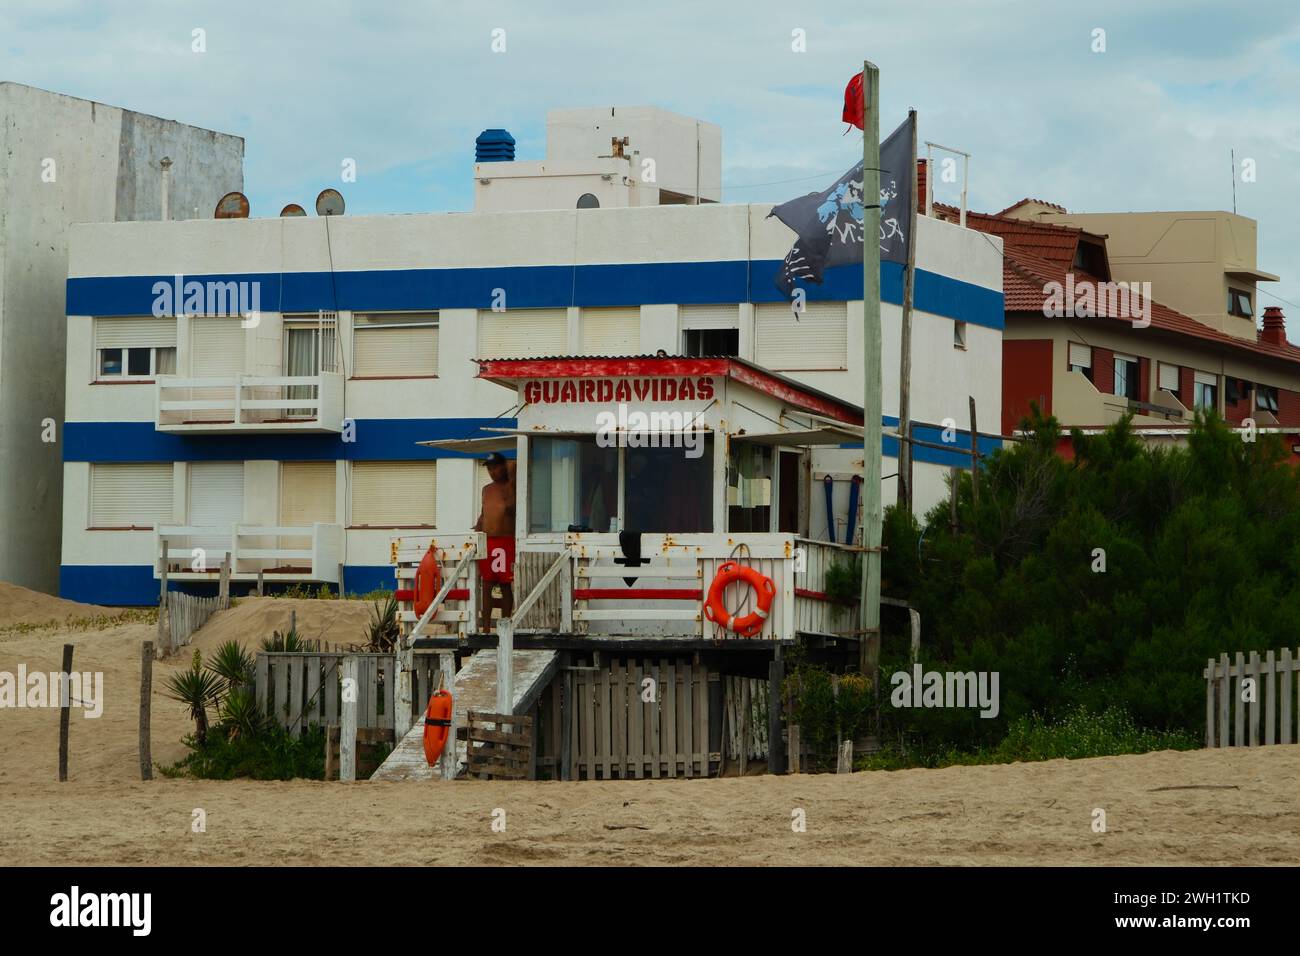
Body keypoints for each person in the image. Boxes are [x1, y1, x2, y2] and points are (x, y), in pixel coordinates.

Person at [475, 452, 516, 631]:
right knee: (487, 585)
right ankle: (485, 628)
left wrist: (508, 466)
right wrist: (478, 526)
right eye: (489, 468)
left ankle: (506, 624)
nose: (492, 471)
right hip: (488, 541)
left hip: (506, 541)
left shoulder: (511, 486)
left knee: (506, 585)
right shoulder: (486, 489)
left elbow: (516, 466)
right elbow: (484, 513)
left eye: (495, 467)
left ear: (503, 467)